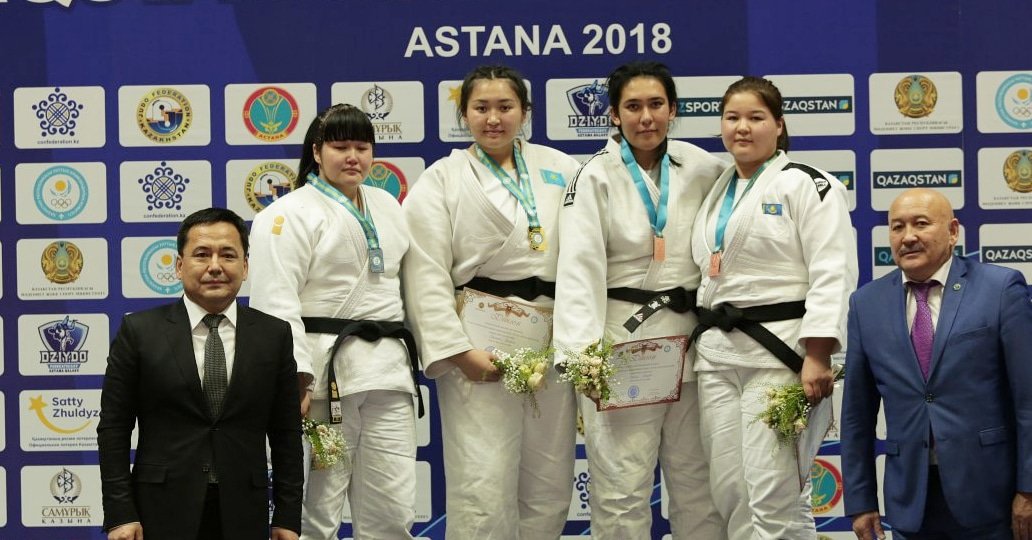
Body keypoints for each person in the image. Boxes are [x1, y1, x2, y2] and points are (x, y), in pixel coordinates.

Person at [401, 64, 580, 538]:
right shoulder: (441, 179)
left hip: (550, 339)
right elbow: (425, 273)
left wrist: (577, 341)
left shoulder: (562, 169)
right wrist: (458, 351)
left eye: (505, 107)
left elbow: (586, 258)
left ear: (525, 111)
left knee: (549, 479)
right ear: (464, 114)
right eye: (481, 107)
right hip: (478, 340)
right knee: (482, 480)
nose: (494, 118)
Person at [552, 61, 726, 539]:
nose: (645, 117)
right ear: (614, 114)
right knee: (621, 490)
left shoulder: (704, 167)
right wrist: (583, 359)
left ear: (673, 110)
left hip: (692, 346)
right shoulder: (594, 176)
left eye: (656, 105)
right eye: (633, 106)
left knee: (698, 485)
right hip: (621, 348)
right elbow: (578, 270)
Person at [689, 76, 857, 539]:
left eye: (755, 117)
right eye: (732, 118)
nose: (742, 127)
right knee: (730, 490)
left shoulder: (808, 184)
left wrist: (818, 353)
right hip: (718, 356)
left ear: (779, 125)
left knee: (775, 494)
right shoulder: (717, 188)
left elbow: (833, 269)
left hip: (782, 355)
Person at [248, 104, 420, 539]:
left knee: (394, 507)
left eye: (362, 147)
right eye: (340, 147)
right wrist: (295, 376)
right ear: (316, 151)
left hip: (388, 372)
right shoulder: (285, 215)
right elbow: (275, 300)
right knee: (317, 511)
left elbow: (405, 289)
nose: (353, 157)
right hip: (324, 376)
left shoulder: (387, 205)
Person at [98, 207, 303, 540]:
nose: (215, 266)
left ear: (245, 266)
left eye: (228, 255)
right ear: (180, 265)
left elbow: (287, 434)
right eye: (202, 254)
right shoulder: (139, 331)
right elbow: (113, 429)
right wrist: (120, 513)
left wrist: (287, 517)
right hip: (159, 511)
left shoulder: (274, 335)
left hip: (244, 512)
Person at [841, 188, 1032, 540]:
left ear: (953, 231)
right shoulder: (866, 304)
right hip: (910, 501)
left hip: (991, 497)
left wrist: (1029, 488)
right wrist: (860, 500)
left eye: (921, 223)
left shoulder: (1000, 289)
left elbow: (1028, 399)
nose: (908, 236)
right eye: (897, 227)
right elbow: (856, 415)